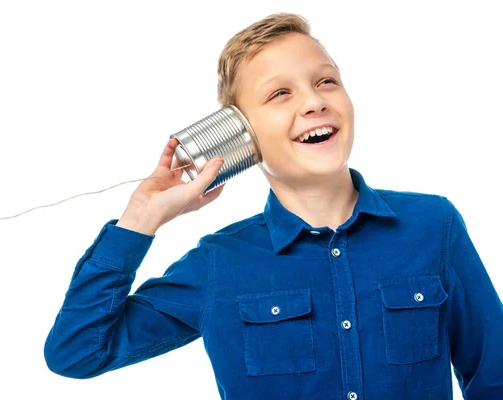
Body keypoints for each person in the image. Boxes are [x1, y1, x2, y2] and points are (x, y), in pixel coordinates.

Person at [43, 12, 503, 399]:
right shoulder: (219, 264)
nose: (314, 101)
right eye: (280, 94)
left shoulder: (433, 226)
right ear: (241, 135)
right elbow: (79, 352)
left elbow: (494, 376)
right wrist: (139, 221)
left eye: (326, 81)